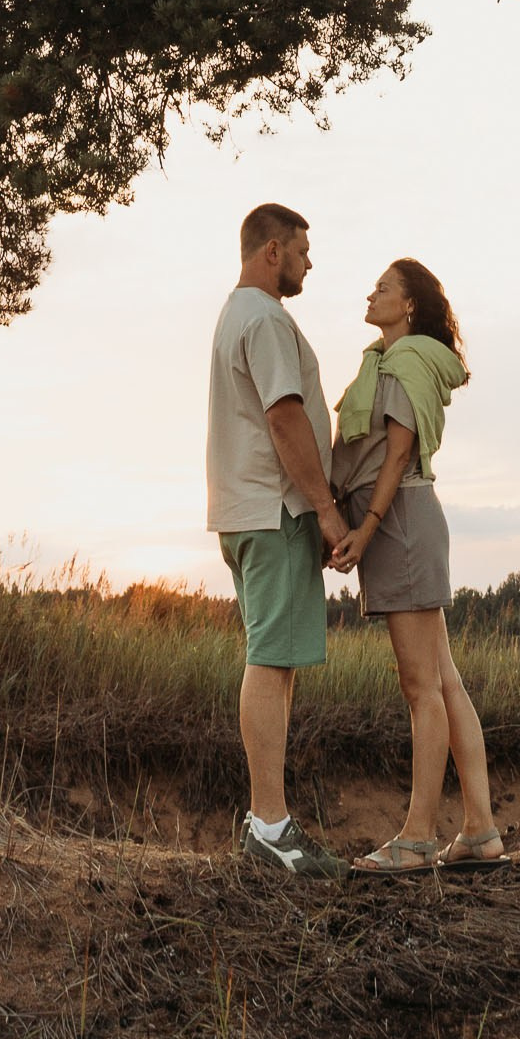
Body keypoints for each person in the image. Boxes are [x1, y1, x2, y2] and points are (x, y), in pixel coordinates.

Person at [330, 259, 507, 874]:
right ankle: (481, 830)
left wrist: (364, 530)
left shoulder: (404, 363)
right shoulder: (391, 360)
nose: (370, 292)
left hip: (400, 520)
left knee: (420, 687)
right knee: (445, 680)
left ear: (408, 306)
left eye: (383, 287)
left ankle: (417, 837)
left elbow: (397, 452)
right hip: (409, 517)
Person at [206, 201, 349, 879]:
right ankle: (267, 827)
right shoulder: (263, 318)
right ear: (272, 251)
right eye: (301, 249)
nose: (308, 261)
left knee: (277, 658)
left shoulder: (242, 314)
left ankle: (273, 822)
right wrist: (325, 510)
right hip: (274, 509)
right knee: (270, 657)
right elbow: (286, 419)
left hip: (252, 509)